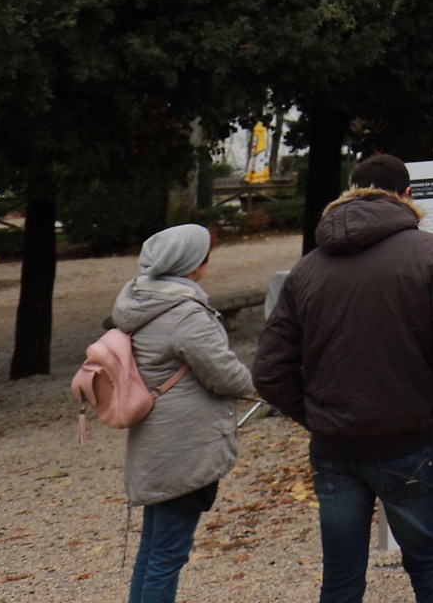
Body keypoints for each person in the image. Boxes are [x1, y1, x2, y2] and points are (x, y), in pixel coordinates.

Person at [254, 155, 433, 603]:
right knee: (430, 566)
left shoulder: (307, 268)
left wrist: (316, 416)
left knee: (341, 577)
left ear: (348, 192)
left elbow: (268, 371)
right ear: (408, 196)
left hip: (335, 445)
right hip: (409, 438)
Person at [114, 222, 254, 603]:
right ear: (193, 263)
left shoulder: (140, 299)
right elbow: (225, 375)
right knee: (168, 554)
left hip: (156, 442)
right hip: (183, 445)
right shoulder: (184, 313)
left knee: (154, 548)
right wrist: (260, 381)